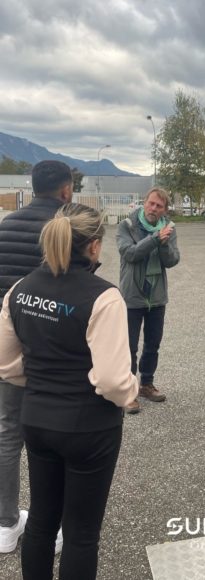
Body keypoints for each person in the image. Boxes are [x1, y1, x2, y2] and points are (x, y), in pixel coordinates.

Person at [0, 203, 138, 580]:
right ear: (93, 246)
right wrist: (131, 391)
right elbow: (112, 381)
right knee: (81, 533)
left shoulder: (20, 289)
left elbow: (6, 364)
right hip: (89, 429)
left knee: (42, 520)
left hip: (37, 420)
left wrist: (43, 380)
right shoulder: (104, 297)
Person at [0, 160, 73, 554]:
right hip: (54, 349)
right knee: (56, 437)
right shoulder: (67, 228)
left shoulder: (6, 225)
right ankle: (53, 526)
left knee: (8, 433)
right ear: (66, 189)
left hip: (10, 344)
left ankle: (5, 524)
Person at [117, 187, 180, 414]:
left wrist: (163, 243)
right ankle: (128, 392)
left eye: (159, 206)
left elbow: (172, 260)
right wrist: (154, 239)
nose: (153, 208)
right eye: (151, 203)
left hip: (156, 296)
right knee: (129, 347)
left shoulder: (169, 228)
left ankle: (146, 384)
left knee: (153, 344)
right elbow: (130, 254)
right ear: (144, 202)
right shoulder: (127, 226)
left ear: (165, 209)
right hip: (132, 295)